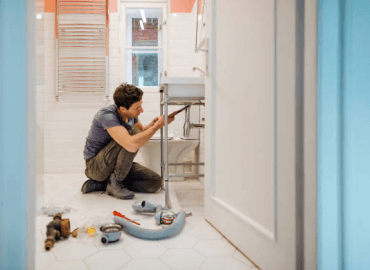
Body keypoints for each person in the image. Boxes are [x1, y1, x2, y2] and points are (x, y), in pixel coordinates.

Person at [81, 83, 175, 200]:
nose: (141, 110)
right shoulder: (107, 115)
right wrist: (157, 127)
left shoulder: (131, 115)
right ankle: (115, 183)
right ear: (122, 109)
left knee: (154, 182)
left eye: (141, 105)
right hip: (96, 167)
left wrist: (154, 124)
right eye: (137, 108)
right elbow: (131, 144)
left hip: (113, 164)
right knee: (132, 137)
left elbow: (141, 131)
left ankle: (104, 184)